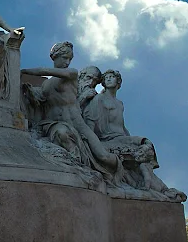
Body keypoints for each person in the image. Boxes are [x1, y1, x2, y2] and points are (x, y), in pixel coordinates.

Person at [21, 42, 121, 180]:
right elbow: (41, 103)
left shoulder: (72, 74)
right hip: (54, 124)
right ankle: (77, 169)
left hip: (78, 124)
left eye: (70, 58)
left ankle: (123, 174)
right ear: (55, 56)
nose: (68, 62)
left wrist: (23, 71)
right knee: (63, 134)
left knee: (103, 156)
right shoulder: (45, 85)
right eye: (65, 57)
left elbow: (45, 70)